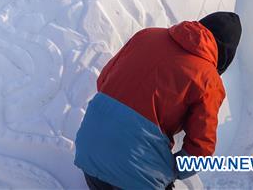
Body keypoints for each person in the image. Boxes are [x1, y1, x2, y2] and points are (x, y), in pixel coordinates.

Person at [74, 11, 242, 190]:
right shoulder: (209, 79)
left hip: (88, 149)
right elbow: (200, 150)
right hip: (137, 173)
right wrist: (172, 171)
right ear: (226, 56)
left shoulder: (147, 35)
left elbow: (103, 81)